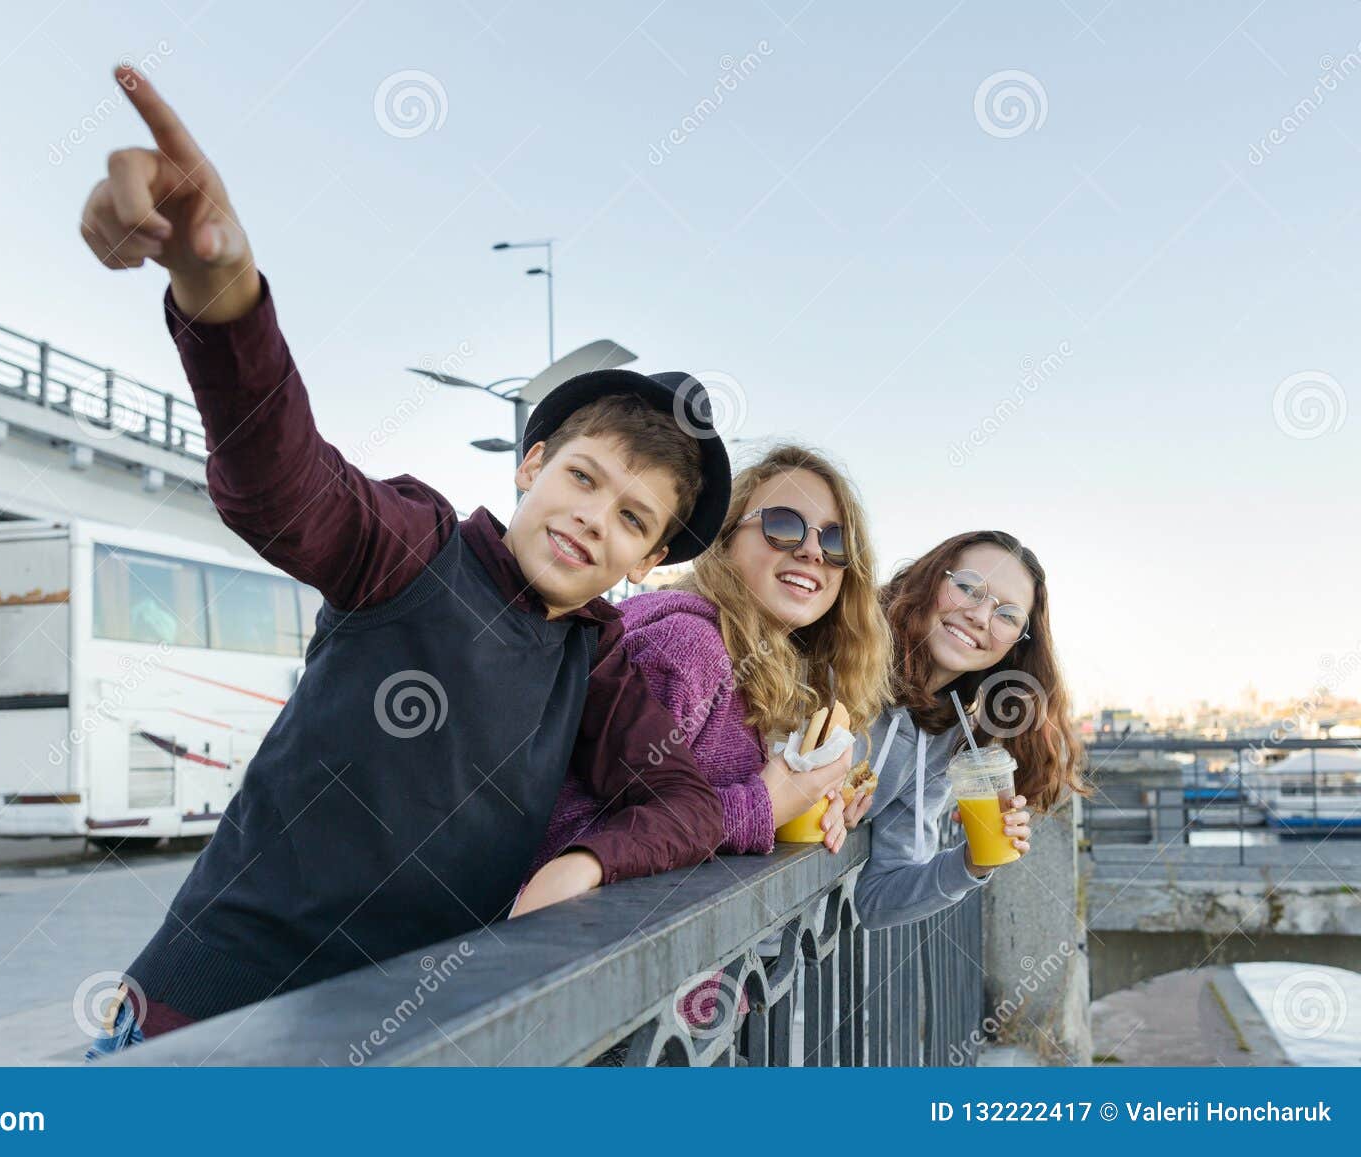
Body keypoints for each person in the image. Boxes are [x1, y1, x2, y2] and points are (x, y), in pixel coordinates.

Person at [75, 68, 735, 1053]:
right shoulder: (415, 550)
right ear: (532, 463)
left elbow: (684, 803)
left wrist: (587, 863)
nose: (597, 518)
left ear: (645, 559)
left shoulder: (595, 666)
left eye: (634, 517)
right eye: (586, 478)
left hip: (400, 1041)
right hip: (215, 1019)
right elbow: (282, 482)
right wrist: (222, 296)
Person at [528, 443, 892, 874]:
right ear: (725, 539)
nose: (813, 551)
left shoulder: (771, 670)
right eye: (783, 525)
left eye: (835, 540)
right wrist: (762, 807)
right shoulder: (685, 648)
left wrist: (808, 807)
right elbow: (575, 840)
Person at [845, 531, 1087, 930]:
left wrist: (971, 863)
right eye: (969, 587)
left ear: (1015, 646)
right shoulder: (841, 648)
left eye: (1008, 615)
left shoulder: (944, 738)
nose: (980, 615)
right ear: (930, 580)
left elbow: (874, 901)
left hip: (784, 962)